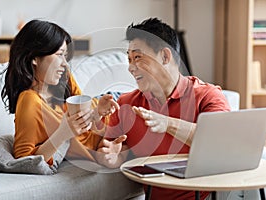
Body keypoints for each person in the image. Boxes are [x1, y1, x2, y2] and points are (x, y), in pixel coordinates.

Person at [96, 18, 231, 200]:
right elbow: (117, 151)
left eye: (137, 58)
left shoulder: (207, 96)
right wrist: (112, 158)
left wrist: (167, 123)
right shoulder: (126, 104)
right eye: (129, 59)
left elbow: (222, 142)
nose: (130, 67)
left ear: (165, 57)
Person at [1, 19, 119, 167]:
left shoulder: (64, 78)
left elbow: (85, 119)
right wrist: (62, 134)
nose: (64, 63)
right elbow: (23, 159)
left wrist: (97, 113)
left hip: (112, 106)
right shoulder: (29, 101)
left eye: (65, 55)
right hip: (110, 133)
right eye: (59, 54)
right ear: (34, 58)